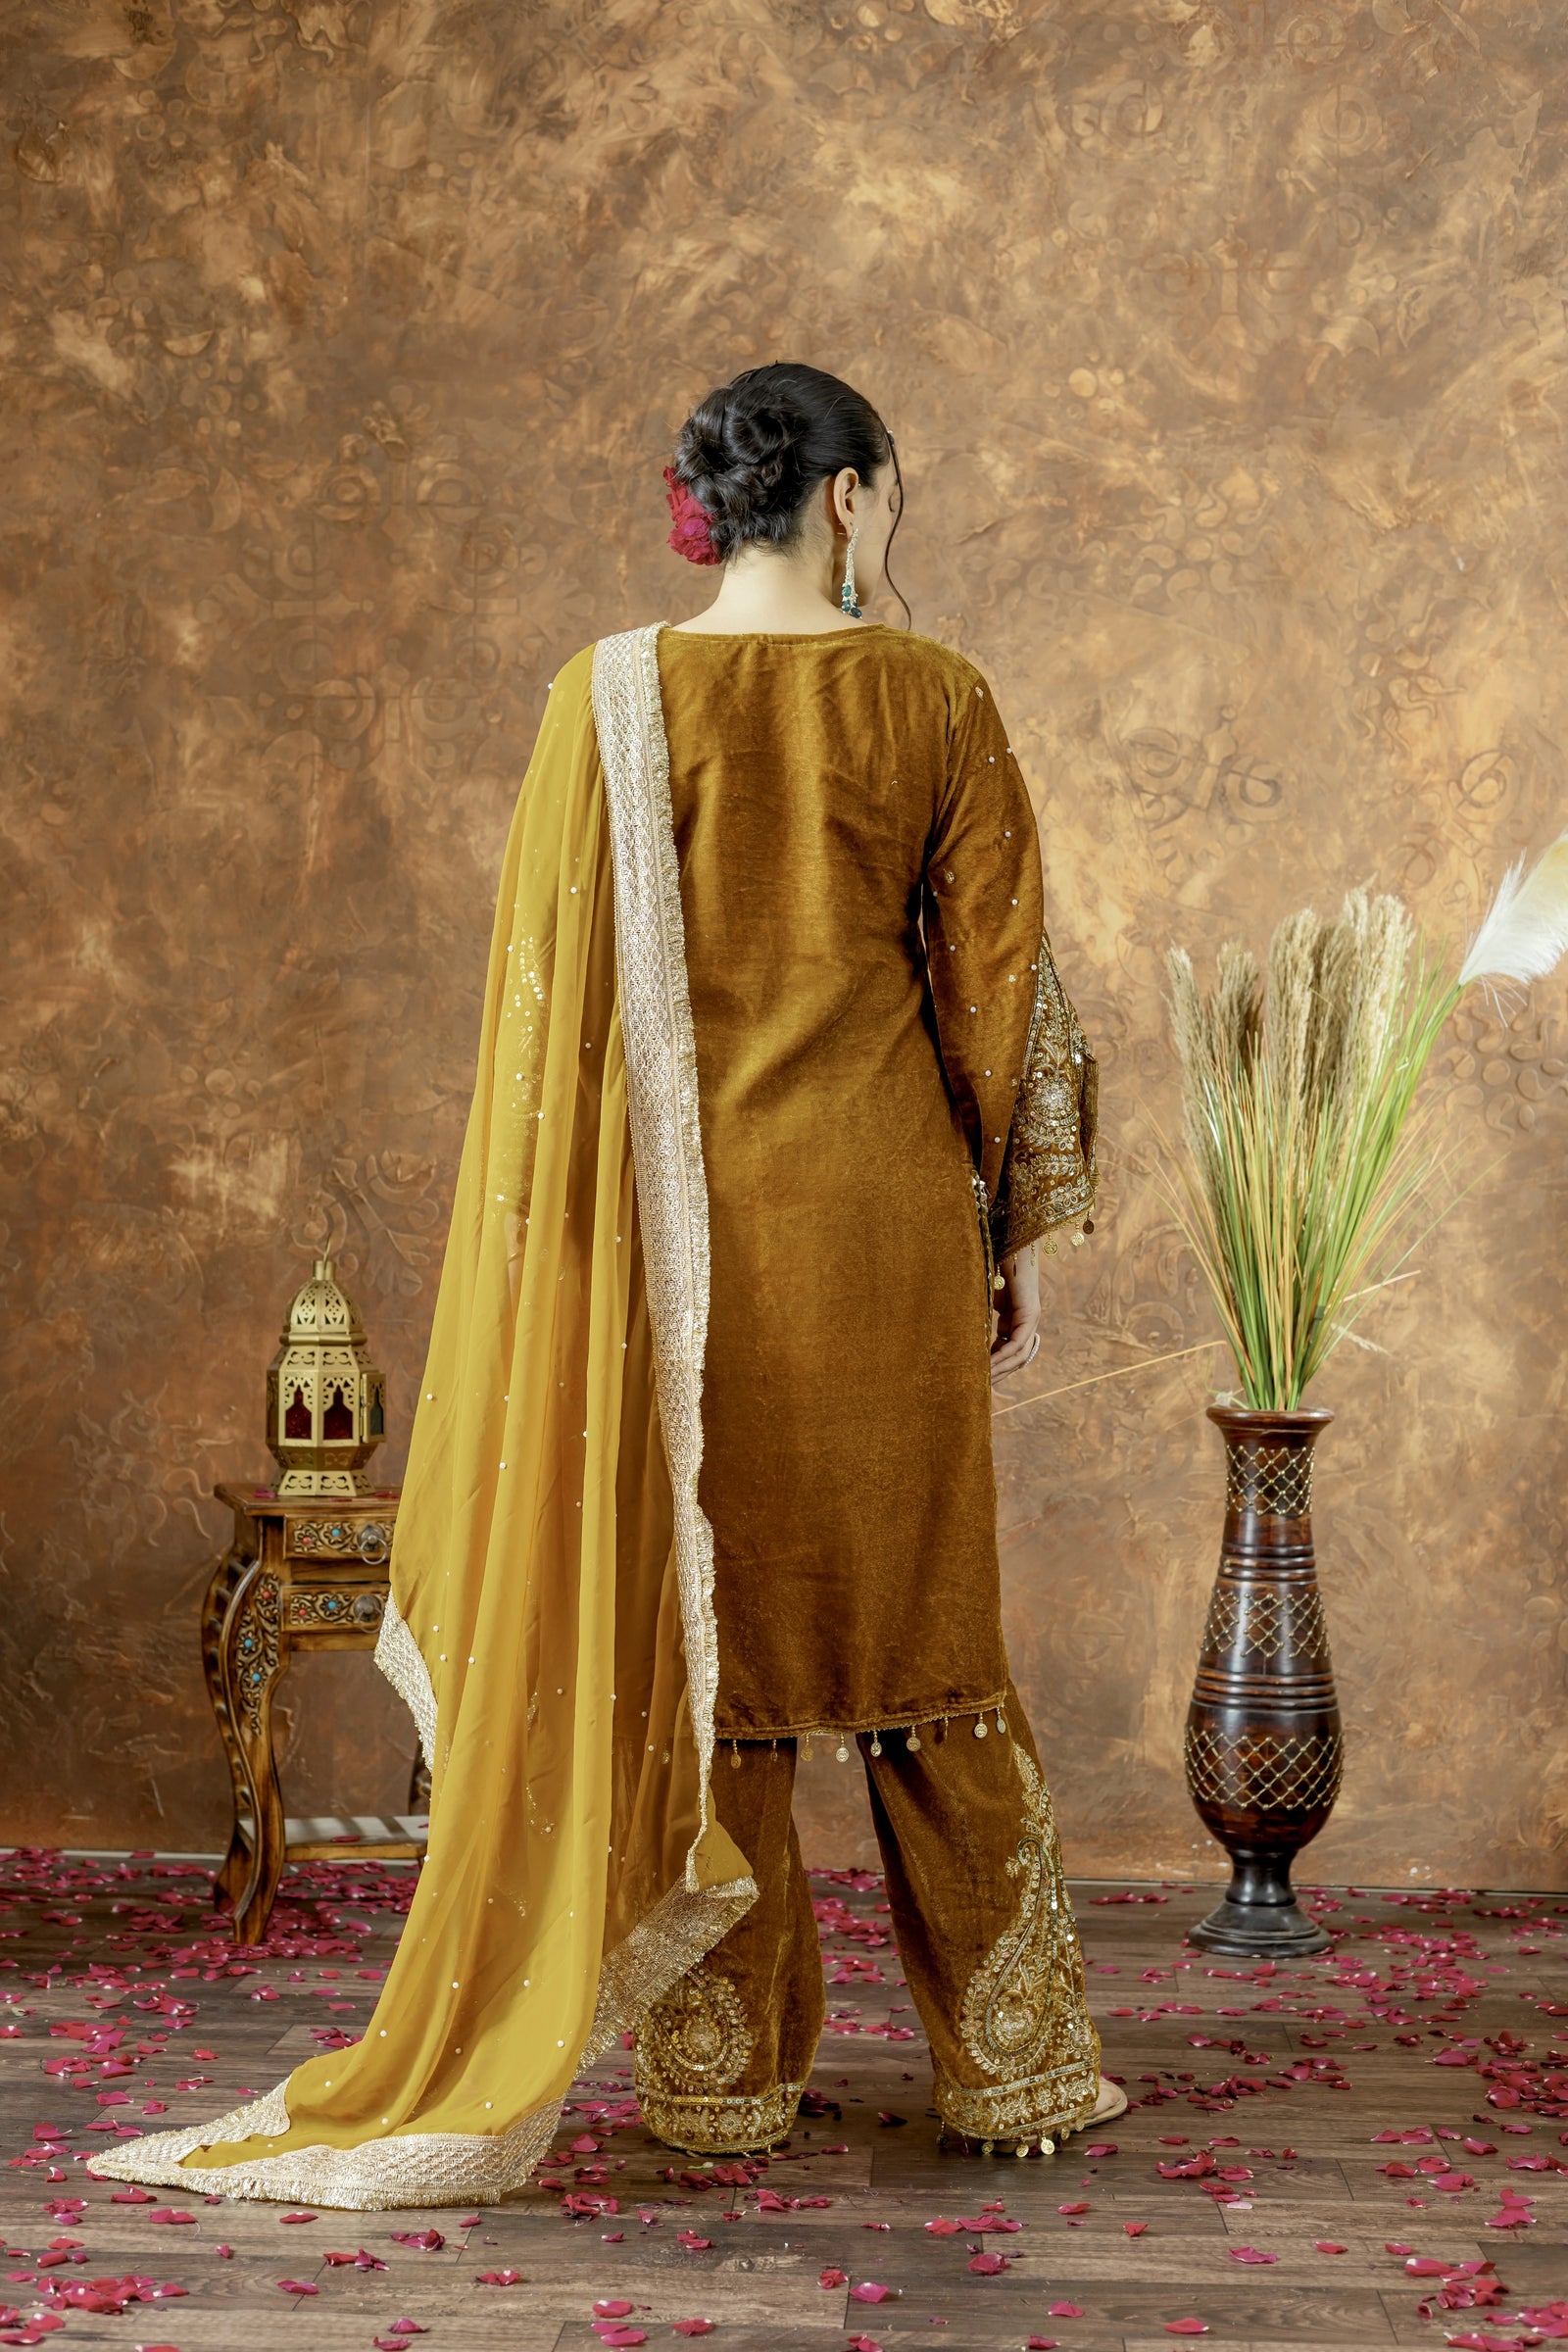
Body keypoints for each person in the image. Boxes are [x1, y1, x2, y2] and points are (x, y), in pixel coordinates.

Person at [92, 363, 1119, 2212]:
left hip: (678, 1256)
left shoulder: (605, 698)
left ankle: (721, 2086)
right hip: (883, 1235)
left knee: (710, 1643)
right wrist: (1017, 1229)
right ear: (857, 499)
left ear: (717, 502)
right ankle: (1015, 2065)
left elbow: (547, 1035)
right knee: (924, 1655)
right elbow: (998, 988)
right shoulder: (936, 697)